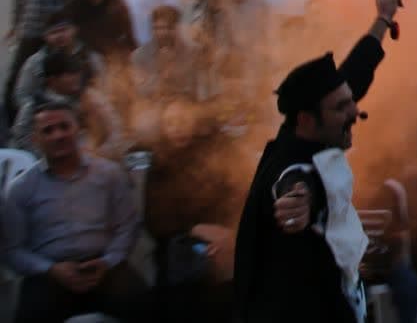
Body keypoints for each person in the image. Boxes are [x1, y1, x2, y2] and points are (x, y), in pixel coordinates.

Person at [233, 0, 403, 323]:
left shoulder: (313, 126)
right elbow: (293, 181)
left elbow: (356, 71)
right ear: (307, 120)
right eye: (342, 108)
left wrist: (384, 18)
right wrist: (295, 203)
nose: (355, 112)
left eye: (350, 102)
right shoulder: (292, 163)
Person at [2, 97, 151, 322]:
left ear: (78, 131)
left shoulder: (109, 174)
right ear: (35, 140)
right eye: (48, 130)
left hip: (104, 267)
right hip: (49, 273)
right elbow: (13, 249)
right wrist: (51, 269)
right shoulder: (21, 188)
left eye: (64, 127)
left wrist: (108, 261)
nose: (58, 135)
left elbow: (127, 226)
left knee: (144, 304)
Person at [144, 100, 245, 323]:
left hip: (223, 241)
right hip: (179, 246)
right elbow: (155, 219)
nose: (177, 128)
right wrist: (195, 229)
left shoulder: (220, 154)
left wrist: (228, 233)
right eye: (170, 123)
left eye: (183, 120)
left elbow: (238, 197)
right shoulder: (160, 164)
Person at [5, 0, 78, 120]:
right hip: (29, 31)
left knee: (50, 78)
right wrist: (15, 25)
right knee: (17, 77)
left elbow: (72, 4)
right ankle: (12, 119)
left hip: (53, 37)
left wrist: (69, 31)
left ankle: (50, 117)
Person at [11, 49, 129, 160]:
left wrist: (100, 154)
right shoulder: (33, 105)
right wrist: (48, 158)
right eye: (69, 74)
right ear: (52, 80)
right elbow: (21, 138)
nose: (76, 78)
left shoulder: (90, 98)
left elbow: (116, 128)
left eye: (77, 72)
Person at [14, 13, 106, 121]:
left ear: (74, 29)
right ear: (45, 37)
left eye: (63, 30)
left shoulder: (90, 57)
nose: (59, 36)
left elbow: (104, 86)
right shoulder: (35, 62)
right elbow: (22, 95)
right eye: (53, 32)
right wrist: (36, 111)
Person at [65, 0, 136, 61]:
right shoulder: (74, 6)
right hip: (84, 61)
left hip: (112, 60)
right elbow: (68, 39)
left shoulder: (117, 5)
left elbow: (130, 38)